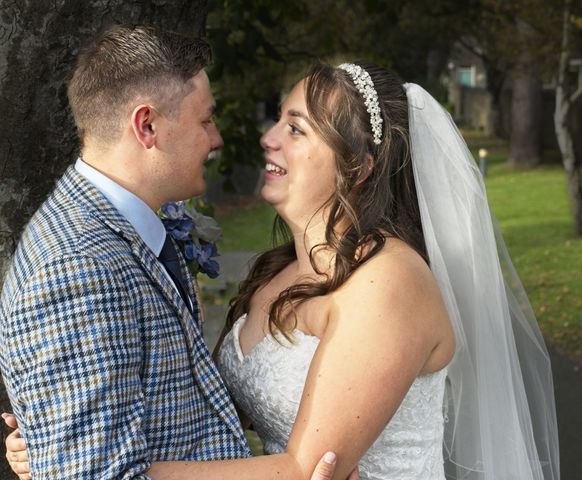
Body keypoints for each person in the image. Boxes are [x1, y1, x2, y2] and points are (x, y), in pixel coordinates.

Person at [5, 58, 561, 478]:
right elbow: (216, 405)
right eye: (278, 119)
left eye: (296, 129)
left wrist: (88, 469)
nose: (268, 138)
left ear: (359, 167)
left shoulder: (388, 284)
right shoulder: (278, 273)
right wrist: (63, 434)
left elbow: (301, 469)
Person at [0, 24, 352, 480]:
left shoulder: (121, 230)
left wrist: (54, 443)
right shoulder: (77, 269)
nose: (217, 138)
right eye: (205, 119)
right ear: (147, 126)